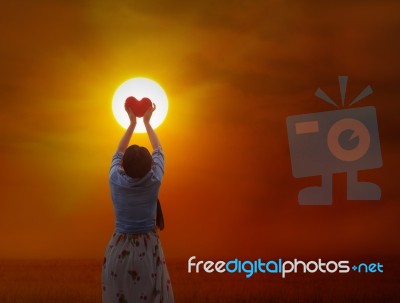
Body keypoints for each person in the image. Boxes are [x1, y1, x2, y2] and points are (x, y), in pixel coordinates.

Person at [102, 103, 174, 303]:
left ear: (123, 166)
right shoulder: (154, 180)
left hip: (118, 251)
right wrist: (147, 123)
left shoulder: (114, 178)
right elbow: (159, 150)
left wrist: (132, 123)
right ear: (151, 166)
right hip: (147, 252)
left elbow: (118, 152)